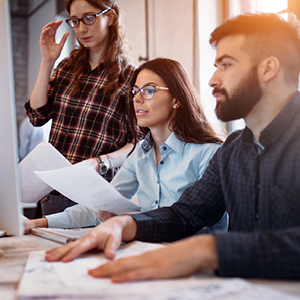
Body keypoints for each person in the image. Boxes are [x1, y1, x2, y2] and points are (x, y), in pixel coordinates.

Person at [44, 12, 300, 281]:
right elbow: (186, 214)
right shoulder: (233, 150)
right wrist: (125, 223)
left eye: (226, 65)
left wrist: (207, 249)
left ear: (268, 69)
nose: (213, 80)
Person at [23, 57, 227, 233]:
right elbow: (99, 207)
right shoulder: (140, 153)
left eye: (149, 90)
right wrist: (36, 223)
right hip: (147, 251)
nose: (137, 98)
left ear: (177, 99)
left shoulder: (209, 153)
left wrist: (130, 222)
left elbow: (195, 221)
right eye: (136, 91)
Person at [25, 0, 135, 215]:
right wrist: (47, 61)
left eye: (89, 18)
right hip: (57, 191)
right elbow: (37, 116)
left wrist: (102, 162)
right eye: (75, 21)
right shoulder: (66, 68)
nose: (81, 28)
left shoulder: (131, 77)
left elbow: (139, 142)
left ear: (110, 17)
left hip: (98, 191)